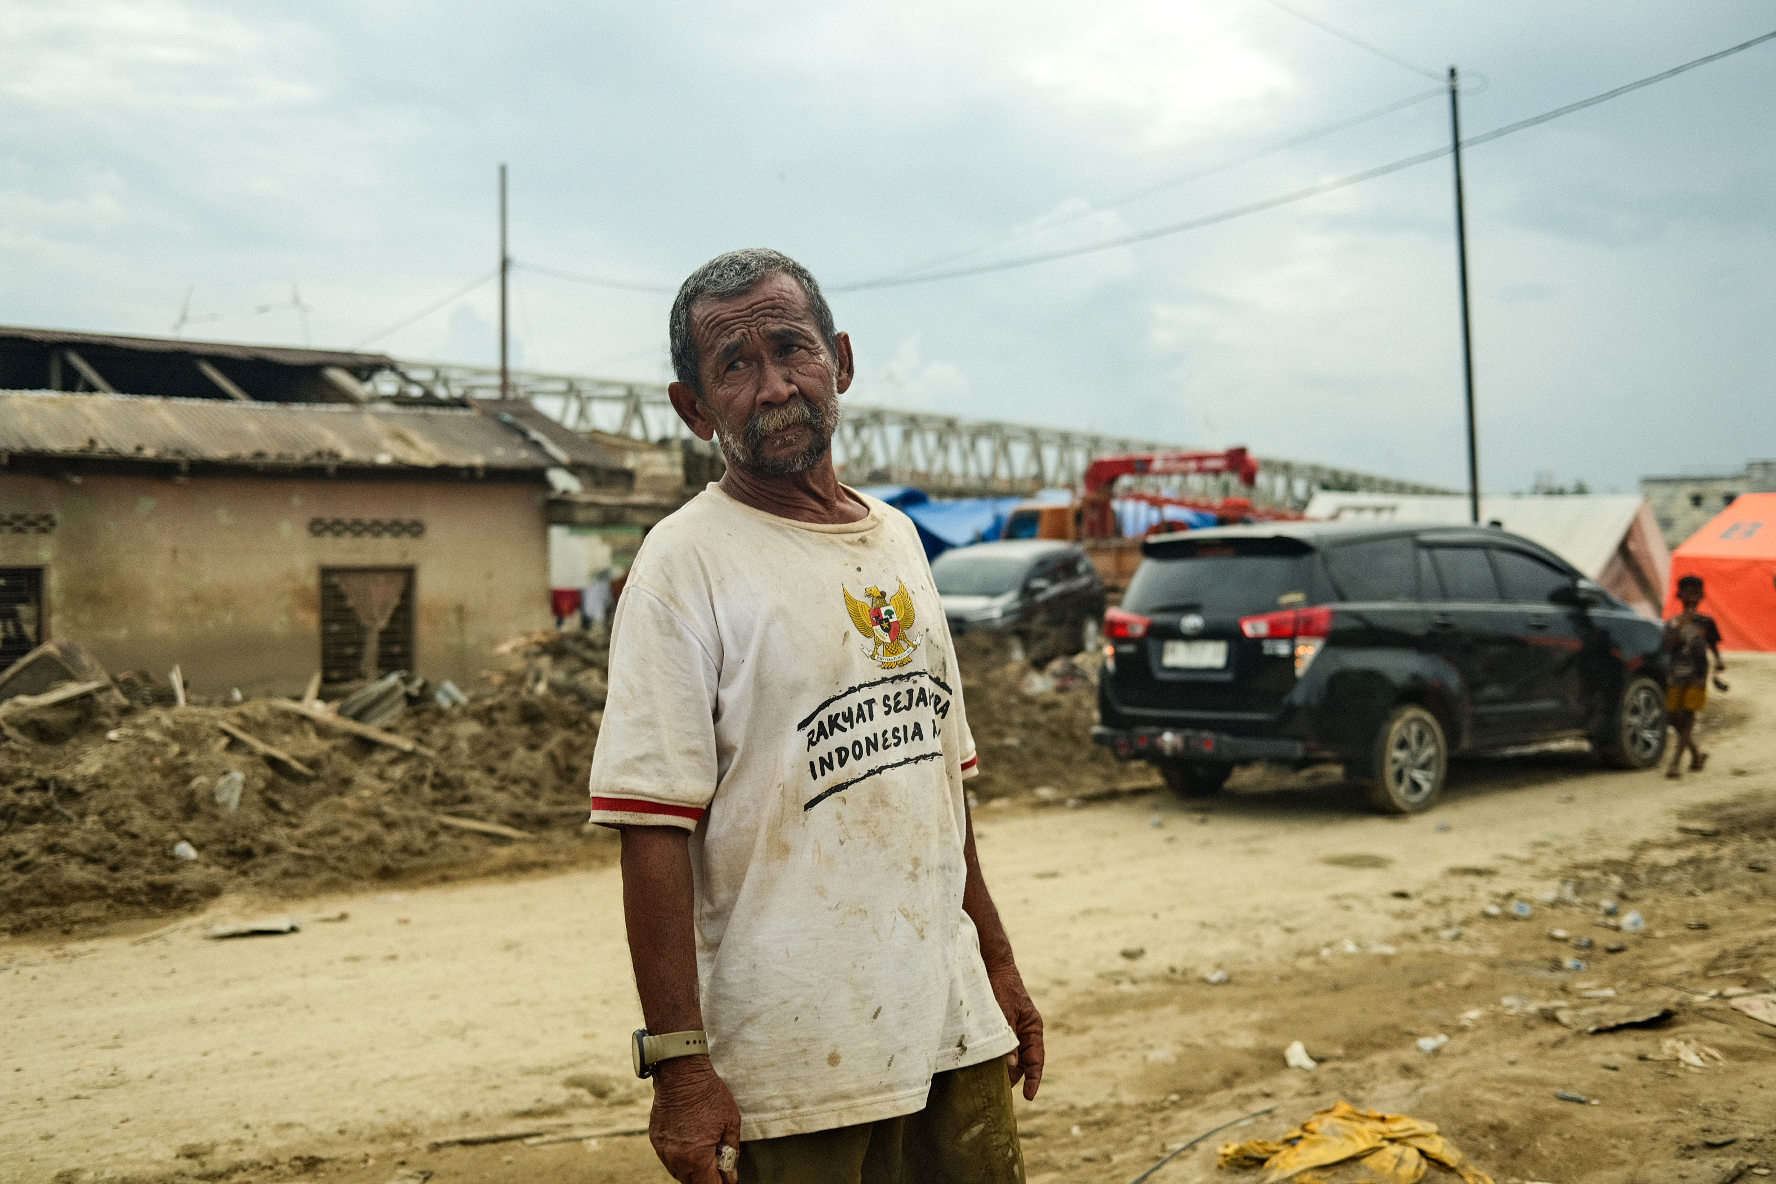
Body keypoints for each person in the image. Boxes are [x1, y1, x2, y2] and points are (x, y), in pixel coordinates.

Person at [586, 249, 1042, 1184]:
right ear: (692, 407)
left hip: (948, 1026)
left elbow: (940, 782)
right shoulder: (684, 565)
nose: (774, 386)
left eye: (791, 349)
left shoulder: (900, 539)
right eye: (735, 366)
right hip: (795, 1065)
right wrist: (679, 1067)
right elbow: (650, 827)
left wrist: (995, 967)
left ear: (839, 358)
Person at [1661, 574, 1726, 778]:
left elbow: (1713, 645)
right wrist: (1682, 624)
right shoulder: (1671, 624)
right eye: (1687, 593)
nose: (1692, 597)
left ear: (1702, 596)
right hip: (1676, 674)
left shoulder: (1707, 622)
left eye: (1696, 593)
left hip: (1698, 674)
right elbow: (1668, 647)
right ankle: (1696, 754)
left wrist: (1718, 662)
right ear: (1679, 595)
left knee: (1688, 715)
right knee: (1673, 716)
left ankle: (1675, 763)